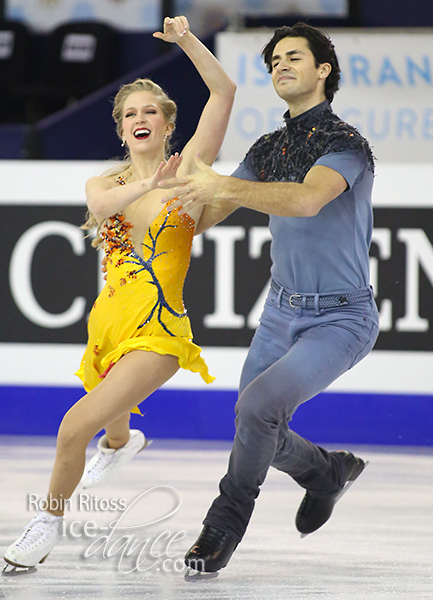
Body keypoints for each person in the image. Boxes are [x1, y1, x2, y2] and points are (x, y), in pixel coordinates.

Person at [3, 15, 236, 570]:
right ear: (120, 128)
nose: (140, 118)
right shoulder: (105, 184)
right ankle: (120, 443)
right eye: (130, 113)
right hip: (106, 324)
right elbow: (104, 208)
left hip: (158, 331)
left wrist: (185, 41)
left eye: (150, 111)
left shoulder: (189, 173)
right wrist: (147, 184)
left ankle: (46, 524)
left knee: (71, 428)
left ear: (166, 123)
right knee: (111, 413)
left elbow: (224, 91)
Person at [160, 22, 379, 573]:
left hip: (342, 318)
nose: (280, 65)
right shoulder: (267, 148)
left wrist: (222, 184)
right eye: (274, 60)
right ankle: (325, 474)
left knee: (258, 410)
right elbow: (207, 215)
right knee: (255, 423)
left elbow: (307, 201)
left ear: (323, 70)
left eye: (293, 57)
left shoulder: (345, 144)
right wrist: (166, 189)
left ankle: (223, 525)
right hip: (282, 310)